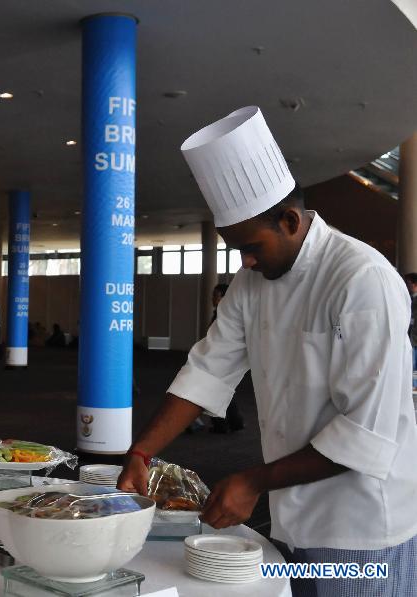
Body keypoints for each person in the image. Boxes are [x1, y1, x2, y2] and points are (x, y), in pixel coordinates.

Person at [117, 106, 417, 596]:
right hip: (292, 517)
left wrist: (254, 481)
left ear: (291, 221)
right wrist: (142, 452)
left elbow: (367, 431)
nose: (246, 260)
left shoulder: (363, 280)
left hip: (363, 528)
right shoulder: (252, 282)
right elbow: (207, 370)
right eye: (236, 249)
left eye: (251, 246)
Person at [208, 283, 245, 433]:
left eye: (216, 296)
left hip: (220, 360)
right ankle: (235, 422)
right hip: (226, 360)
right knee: (226, 392)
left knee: (216, 392)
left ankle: (221, 424)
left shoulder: (222, 316)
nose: (212, 299)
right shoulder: (222, 313)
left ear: (224, 297)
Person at [404, 272, 417, 390]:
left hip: (414, 338)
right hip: (410, 337)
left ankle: (414, 385)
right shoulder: (408, 298)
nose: (407, 286)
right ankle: (413, 385)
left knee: (413, 363)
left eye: (408, 283)